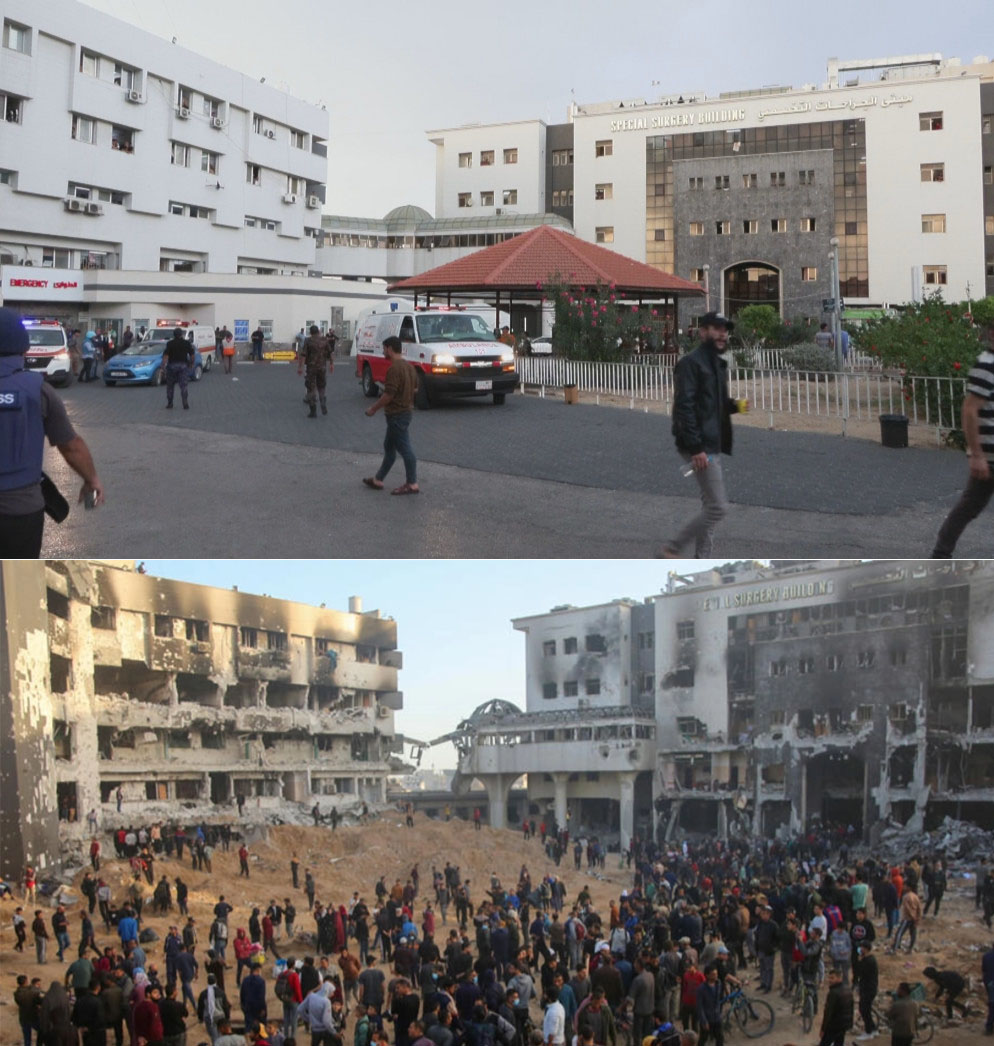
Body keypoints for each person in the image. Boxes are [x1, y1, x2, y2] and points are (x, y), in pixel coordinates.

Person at [0, 308, 105, 556]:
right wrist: (91, 479)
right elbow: (71, 446)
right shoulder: (38, 390)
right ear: (25, 348)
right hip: (21, 513)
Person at [659, 312, 743, 558]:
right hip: (699, 445)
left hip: (712, 442)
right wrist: (696, 448)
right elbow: (684, 407)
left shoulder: (717, 364)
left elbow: (715, 404)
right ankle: (671, 548)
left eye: (725, 329)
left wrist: (737, 406)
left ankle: (701, 557)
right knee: (718, 508)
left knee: (709, 507)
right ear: (702, 332)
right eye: (716, 329)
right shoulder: (690, 364)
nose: (722, 334)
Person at [932, 331, 994, 556]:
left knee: (969, 506)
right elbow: (970, 409)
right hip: (989, 457)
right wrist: (976, 454)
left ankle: (941, 552)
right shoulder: (987, 366)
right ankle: (940, 554)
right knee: (969, 506)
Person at [363, 335, 419, 495]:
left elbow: (388, 395)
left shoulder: (394, 369)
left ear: (389, 348)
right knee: (389, 447)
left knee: (405, 449)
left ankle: (412, 483)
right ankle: (378, 479)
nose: (383, 352)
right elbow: (415, 389)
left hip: (397, 414)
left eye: (384, 348)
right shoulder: (409, 367)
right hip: (405, 412)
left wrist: (373, 409)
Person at [298, 325, 334, 418]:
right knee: (321, 386)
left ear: (310, 332)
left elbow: (303, 355)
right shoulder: (324, 340)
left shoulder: (308, 341)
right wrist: (331, 364)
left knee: (311, 388)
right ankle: (322, 400)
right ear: (318, 331)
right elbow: (331, 352)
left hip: (311, 368)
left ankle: (313, 411)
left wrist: (300, 367)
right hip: (322, 367)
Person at [161, 327, 194, 410]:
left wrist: (163, 366)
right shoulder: (186, 343)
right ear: (181, 334)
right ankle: (185, 402)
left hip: (172, 366)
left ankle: (170, 403)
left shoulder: (170, 343)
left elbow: (166, 356)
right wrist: (191, 363)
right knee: (183, 385)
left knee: (170, 386)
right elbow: (192, 355)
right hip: (183, 366)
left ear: (174, 334)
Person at [819, 968, 853, 1046]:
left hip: (834, 1026)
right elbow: (851, 1007)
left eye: (832, 978)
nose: (829, 980)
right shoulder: (848, 989)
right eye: (829, 977)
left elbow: (828, 1012)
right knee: (839, 1043)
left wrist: (823, 1029)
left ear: (839, 978)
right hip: (843, 1025)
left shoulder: (833, 993)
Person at [886, 982, 919, 1046]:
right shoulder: (915, 1003)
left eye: (898, 989)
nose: (897, 991)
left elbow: (888, 1015)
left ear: (903, 991)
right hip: (910, 1033)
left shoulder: (897, 1004)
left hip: (899, 1034)